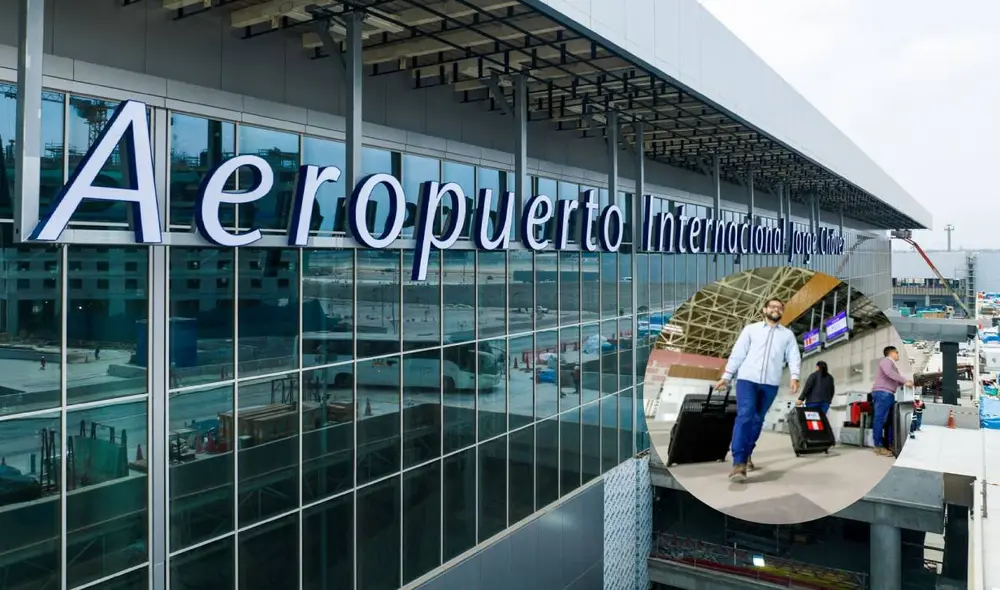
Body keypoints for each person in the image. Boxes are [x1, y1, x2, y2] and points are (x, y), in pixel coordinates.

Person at [715, 297, 801, 482]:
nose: (775, 309)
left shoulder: (787, 335)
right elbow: (738, 353)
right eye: (772, 306)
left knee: (757, 420)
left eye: (779, 307)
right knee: (745, 415)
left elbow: (794, 356)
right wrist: (727, 375)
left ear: (782, 312)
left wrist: (795, 376)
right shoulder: (751, 330)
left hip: (770, 383)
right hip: (747, 380)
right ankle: (739, 463)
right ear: (764, 310)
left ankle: (747, 454)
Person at [871, 346, 913, 457]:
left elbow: (896, 379)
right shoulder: (886, 361)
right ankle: (878, 446)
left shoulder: (893, 366)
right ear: (891, 353)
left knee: (889, 421)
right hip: (882, 393)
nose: (898, 354)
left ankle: (888, 444)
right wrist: (905, 381)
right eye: (897, 352)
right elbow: (890, 374)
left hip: (888, 394)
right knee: (880, 420)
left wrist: (906, 383)